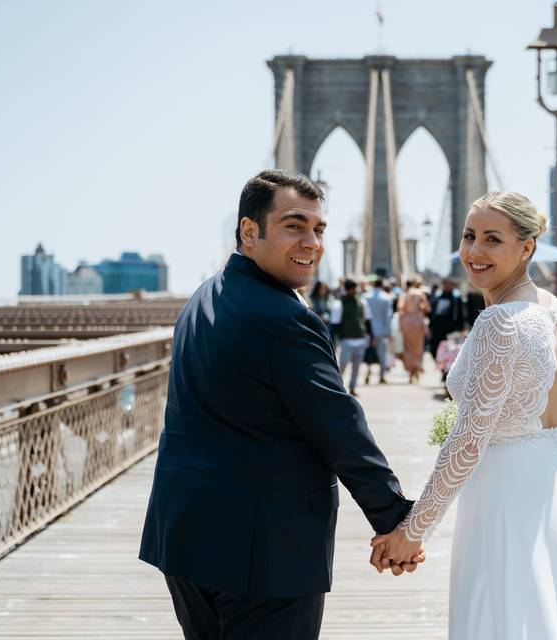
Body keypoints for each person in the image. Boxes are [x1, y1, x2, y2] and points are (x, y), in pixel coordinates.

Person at [139, 169, 422, 640]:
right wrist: (397, 520)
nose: (312, 242)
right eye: (294, 225)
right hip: (264, 552)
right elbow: (338, 426)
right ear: (250, 231)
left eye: (319, 229)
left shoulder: (202, 298)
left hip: (187, 539)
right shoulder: (285, 320)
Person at [370, 191, 557, 639]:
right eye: (469, 236)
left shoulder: (500, 322)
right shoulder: (552, 309)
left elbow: (468, 441)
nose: (474, 252)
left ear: (525, 248)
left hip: (507, 500)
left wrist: (413, 532)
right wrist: (543, 456)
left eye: (493, 239)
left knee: (506, 616)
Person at [331, 279, 372, 396]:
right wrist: (332, 341)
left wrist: (370, 336)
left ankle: (353, 387)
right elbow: (335, 324)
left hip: (360, 338)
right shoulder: (339, 304)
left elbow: (368, 320)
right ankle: (337, 386)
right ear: (347, 289)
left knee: (356, 367)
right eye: (352, 289)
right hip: (346, 339)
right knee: (343, 365)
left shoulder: (362, 302)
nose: (354, 291)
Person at [398, 277, 430, 383]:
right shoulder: (420, 294)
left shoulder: (404, 295)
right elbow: (427, 308)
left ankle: (410, 372)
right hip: (418, 322)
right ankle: (416, 370)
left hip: (407, 323)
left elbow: (400, 309)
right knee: (418, 347)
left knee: (408, 348)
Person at [364, 278, 395, 384]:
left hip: (368, 330)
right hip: (381, 330)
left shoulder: (366, 297)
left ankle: (368, 372)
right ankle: (381, 376)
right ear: (382, 286)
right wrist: (389, 332)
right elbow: (387, 317)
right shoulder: (386, 298)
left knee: (369, 352)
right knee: (382, 353)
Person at [428, 279, 466, 364]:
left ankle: (446, 371)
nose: (447, 286)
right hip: (437, 329)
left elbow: (461, 314)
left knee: (450, 350)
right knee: (434, 349)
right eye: (445, 283)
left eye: (449, 284)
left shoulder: (456, 298)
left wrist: (461, 328)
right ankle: (441, 367)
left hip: (451, 329)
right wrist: (430, 327)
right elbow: (432, 313)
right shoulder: (438, 297)